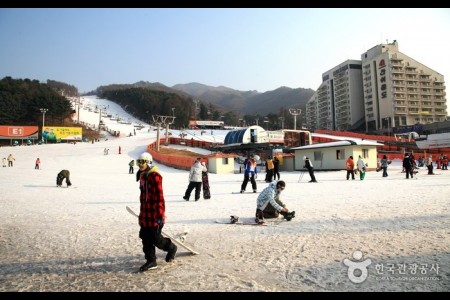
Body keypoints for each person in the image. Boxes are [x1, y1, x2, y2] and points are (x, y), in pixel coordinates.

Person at [135, 152, 177, 272]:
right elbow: (143, 198)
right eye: (139, 162)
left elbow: (159, 197)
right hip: (145, 214)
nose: (140, 165)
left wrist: (160, 214)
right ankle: (151, 260)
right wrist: (141, 215)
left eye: (142, 162)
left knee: (156, 239)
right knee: (145, 237)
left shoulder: (154, 176)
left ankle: (171, 248)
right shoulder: (143, 176)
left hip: (154, 214)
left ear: (148, 162)